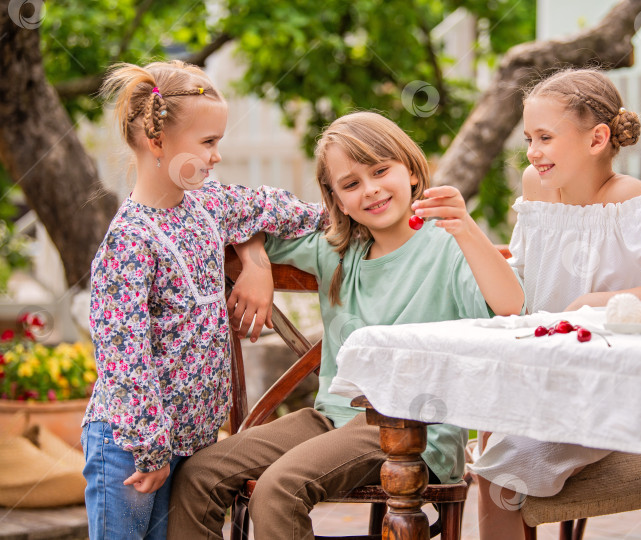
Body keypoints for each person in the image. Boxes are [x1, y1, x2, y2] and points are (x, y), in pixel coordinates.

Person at [167, 111, 524, 539]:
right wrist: (257, 262)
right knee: (199, 475)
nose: (370, 190)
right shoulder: (338, 249)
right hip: (331, 420)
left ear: (411, 171)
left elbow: (510, 308)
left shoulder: (446, 246)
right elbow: (234, 210)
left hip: (410, 428)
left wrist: (466, 228)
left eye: (380, 170)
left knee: (280, 489)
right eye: (351, 184)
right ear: (336, 200)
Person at [82, 60, 324, 540]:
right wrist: (150, 449)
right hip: (130, 449)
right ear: (157, 142)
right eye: (208, 143)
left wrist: (341, 214)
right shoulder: (130, 241)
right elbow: (123, 357)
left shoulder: (206, 206)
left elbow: (271, 208)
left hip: (188, 444)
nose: (216, 157)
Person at [471, 68, 641, 539]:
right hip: (542, 368)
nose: (533, 152)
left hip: (608, 383)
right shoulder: (536, 188)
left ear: (597, 139)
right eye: (529, 138)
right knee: (488, 429)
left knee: (500, 469)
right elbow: (523, 273)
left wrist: (598, 301)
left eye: (546, 138)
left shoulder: (626, 199)